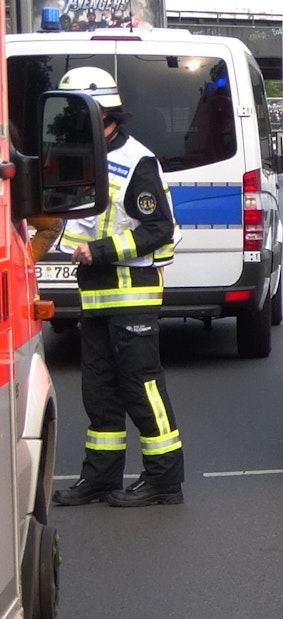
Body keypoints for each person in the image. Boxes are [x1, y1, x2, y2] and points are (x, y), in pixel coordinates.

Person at [47, 67, 187, 508]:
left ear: (102, 117)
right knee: (100, 394)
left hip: (132, 296)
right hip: (97, 298)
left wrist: (101, 251)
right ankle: (101, 478)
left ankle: (164, 481)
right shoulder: (88, 157)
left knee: (141, 389)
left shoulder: (137, 161)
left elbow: (159, 229)